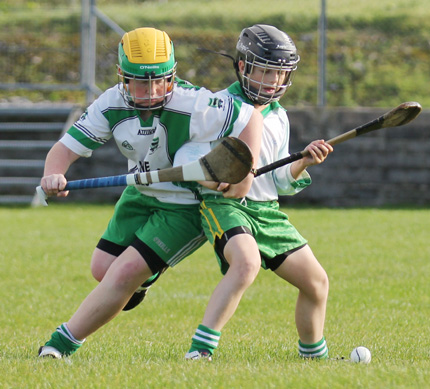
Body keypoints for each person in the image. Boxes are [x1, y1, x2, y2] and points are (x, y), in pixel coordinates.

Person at [38, 27, 262, 358]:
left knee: (124, 273)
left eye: (161, 80)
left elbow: (250, 117)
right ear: (121, 76)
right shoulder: (111, 103)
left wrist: (247, 173)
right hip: (140, 193)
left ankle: (59, 345)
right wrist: (53, 174)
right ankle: (145, 273)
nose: (152, 90)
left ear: (172, 75)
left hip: (183, 207)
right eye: (141, 81)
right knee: (102, 270)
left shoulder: (195, 103)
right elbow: (65, 148)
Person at [174, 24, 333, 361]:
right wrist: (210, 178)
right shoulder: (219, 106)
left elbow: (280, 182)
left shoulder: (279, 117)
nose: (275, 82)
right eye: (266, 71)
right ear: (244, 67)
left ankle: (314, 358)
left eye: (281, 74)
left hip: (268, 212)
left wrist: (303, 162)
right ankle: (200, 352)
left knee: (317, 283)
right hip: (225, 205)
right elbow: (186, 156)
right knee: (246, 264)